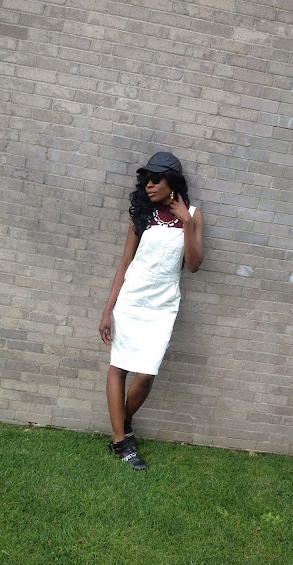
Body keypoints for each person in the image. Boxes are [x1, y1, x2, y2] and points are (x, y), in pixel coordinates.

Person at [99, 152, 204, 470]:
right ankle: (121, 442)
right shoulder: (142, 216)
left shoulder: (193, 216)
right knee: (119, 367)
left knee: (146, 373)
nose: (149, 185)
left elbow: (194, 265)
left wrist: (186, 223)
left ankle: (123, 422)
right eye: (146, 180)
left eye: (156, 179)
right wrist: (108, 310)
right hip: (131, 302)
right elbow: (124, 264)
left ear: (172, 182)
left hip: (163, 306)